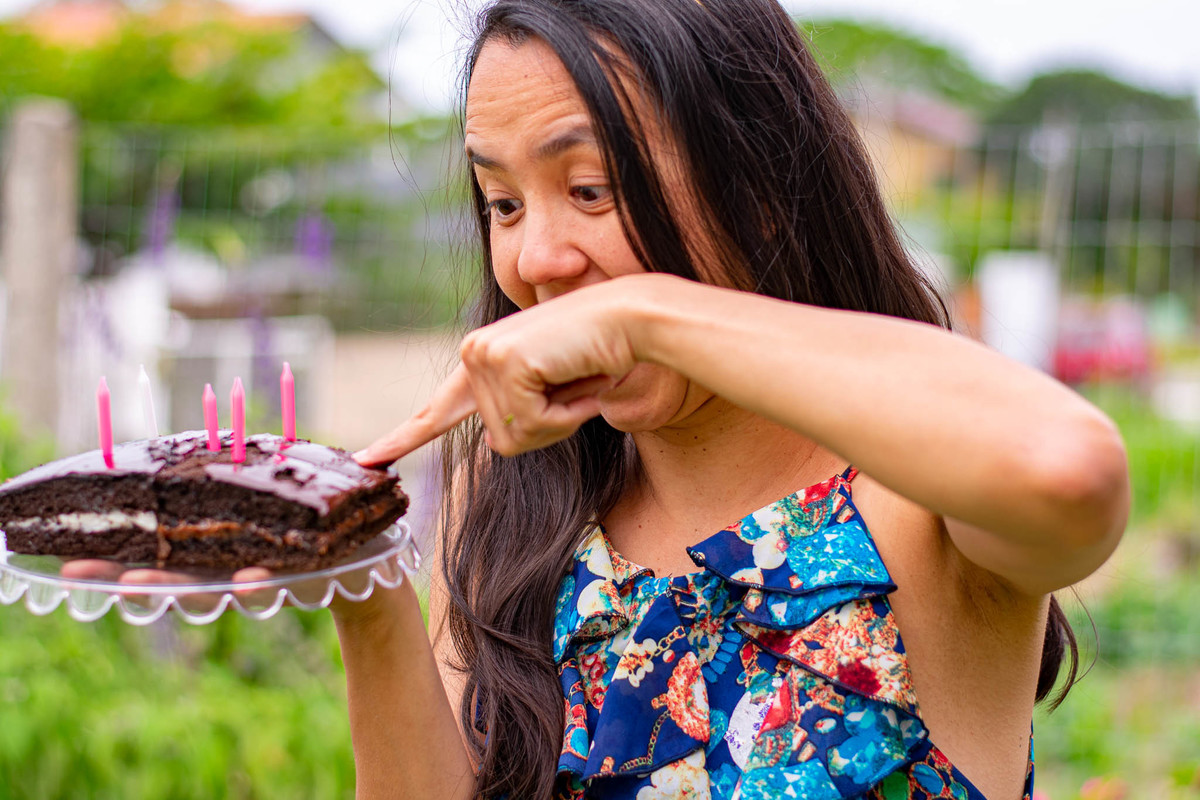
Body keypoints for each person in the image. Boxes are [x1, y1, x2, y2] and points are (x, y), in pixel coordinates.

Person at [341, 0, 1131, 797]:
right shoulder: (519, 495)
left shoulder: (914, 496)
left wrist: (643, 316)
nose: (535, 261)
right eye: (503, 203)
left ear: (756, 182)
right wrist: (358, 583)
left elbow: (1071, 470)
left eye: (590, 189)